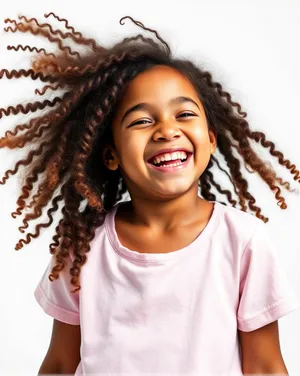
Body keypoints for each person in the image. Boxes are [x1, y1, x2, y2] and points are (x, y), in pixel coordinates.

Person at [1, 12, 299, 376]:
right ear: (109, 154)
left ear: (210, 138)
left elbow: (266, 366)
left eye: (184, 114)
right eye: (142, 120)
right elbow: (62, 363)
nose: (166, 130)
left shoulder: (242, 241)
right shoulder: (82, 248)